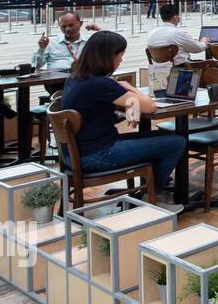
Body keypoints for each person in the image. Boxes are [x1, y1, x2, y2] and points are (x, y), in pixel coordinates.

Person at [60, 31, 184, 210]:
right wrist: (129, 87)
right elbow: (150, 106)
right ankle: (152, 200)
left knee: (162, 136)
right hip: (96, 155)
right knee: (176, 142)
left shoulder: (74, 79)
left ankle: (148, 190)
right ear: (107, 56)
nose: (120, 60)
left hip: (76, 154)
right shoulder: (100, 84)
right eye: (120, 55)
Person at [33, 10, 100, 71]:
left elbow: (109, 47)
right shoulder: (50, 42)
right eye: (63, 26)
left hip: (83, 77)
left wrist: (99, 30)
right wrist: (41, 49)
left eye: (71, 25)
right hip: (57, 79)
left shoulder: (90, 41)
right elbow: (37, 66)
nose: (67, 29)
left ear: (80, 24)